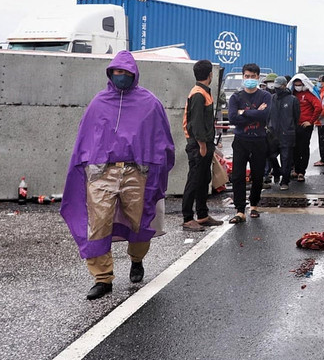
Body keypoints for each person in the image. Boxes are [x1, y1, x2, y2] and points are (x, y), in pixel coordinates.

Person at [61, 51, 176, 300]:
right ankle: (102, 277)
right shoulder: (99, 103)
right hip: (102, 172)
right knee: (98, 222)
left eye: (125, 72)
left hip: (137, 171)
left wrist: (161, 167)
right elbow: (85, 137)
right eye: (117, 72)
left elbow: (162, 139)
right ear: (110, 73)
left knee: (139, 221)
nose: (121, 76)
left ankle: (137, 259)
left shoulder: (149, 103)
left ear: (134, 74)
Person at [226, 62, 272, 222]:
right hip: (241, 140)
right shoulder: (236, 97)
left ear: (258, 77)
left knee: (258, 174)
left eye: (253, 77)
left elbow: (265, 115)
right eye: (247, 76)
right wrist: (254, 112)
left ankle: (254, 205)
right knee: (238, 175)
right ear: (243, 76)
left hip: (259, 140)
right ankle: (240, 210)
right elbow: (232, 118)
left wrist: (243, 113)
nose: (250, 79)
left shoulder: (266, 96)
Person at [181, 59, 223, 232]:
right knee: (194, 180)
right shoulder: (198, 94)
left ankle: (203, 214)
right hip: (199, 145)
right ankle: (187, 218)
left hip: (203, 143)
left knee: (203, 179)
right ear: (210, 75)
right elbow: (197, 123)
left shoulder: (203, 91)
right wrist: (202, 145)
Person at [265, 76, 300, 189]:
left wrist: (289, 128)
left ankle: (284, 181)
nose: (277, 89)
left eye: (279, 87)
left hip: (287, 133)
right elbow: (267, 115)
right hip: (272, 133)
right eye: (275, 87)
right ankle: (276, 170)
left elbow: (296, 117)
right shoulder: (271, 98)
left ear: (285, 86)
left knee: (286, 158)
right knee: (270, 155)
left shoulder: (292, 100)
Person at [289, 73, 322, 180]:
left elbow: (318, 108)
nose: (298, 86)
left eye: (299, 84)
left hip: (305, 126)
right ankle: (296, 169)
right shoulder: (292, 94)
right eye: (296, 84)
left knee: (303, 148)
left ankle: (302, 172)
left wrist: (311, 121)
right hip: (294, 126)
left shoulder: (309, 95)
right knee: (294, 148)